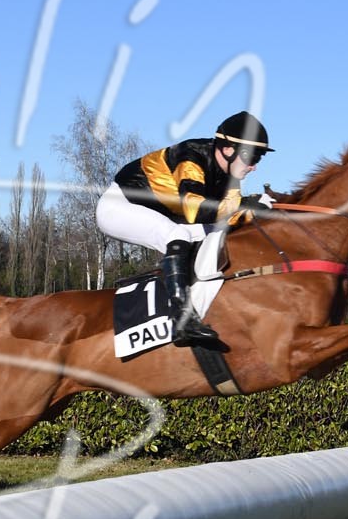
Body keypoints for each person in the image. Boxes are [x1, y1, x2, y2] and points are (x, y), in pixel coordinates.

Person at [96, 111, 272, 346]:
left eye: (258, 158)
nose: (254, 167)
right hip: (119, 207)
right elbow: (195, 211)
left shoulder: (230, 176)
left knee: (217, 235)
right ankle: (182, 318)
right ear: (228, 149)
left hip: (161, 213)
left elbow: (229, 218)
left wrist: (264, 211)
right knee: (177, 234)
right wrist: (246, 204)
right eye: (252, 157)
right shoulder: (191, 156)